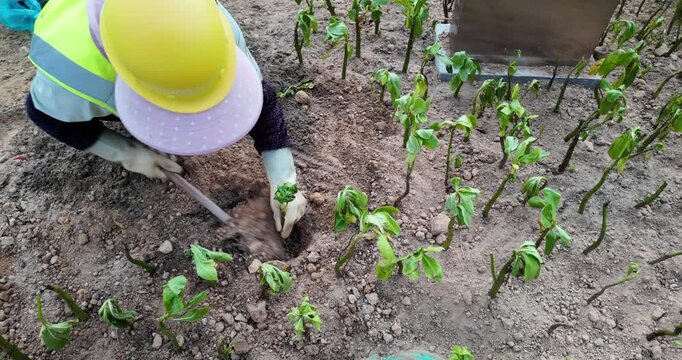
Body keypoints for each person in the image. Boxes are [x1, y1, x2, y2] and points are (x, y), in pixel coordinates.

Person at [24, 0, 306, 238]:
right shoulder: (71, 79)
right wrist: (123, 152)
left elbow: (261, 98)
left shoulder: (211, 26)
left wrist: (283, 176)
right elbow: (45, 116)